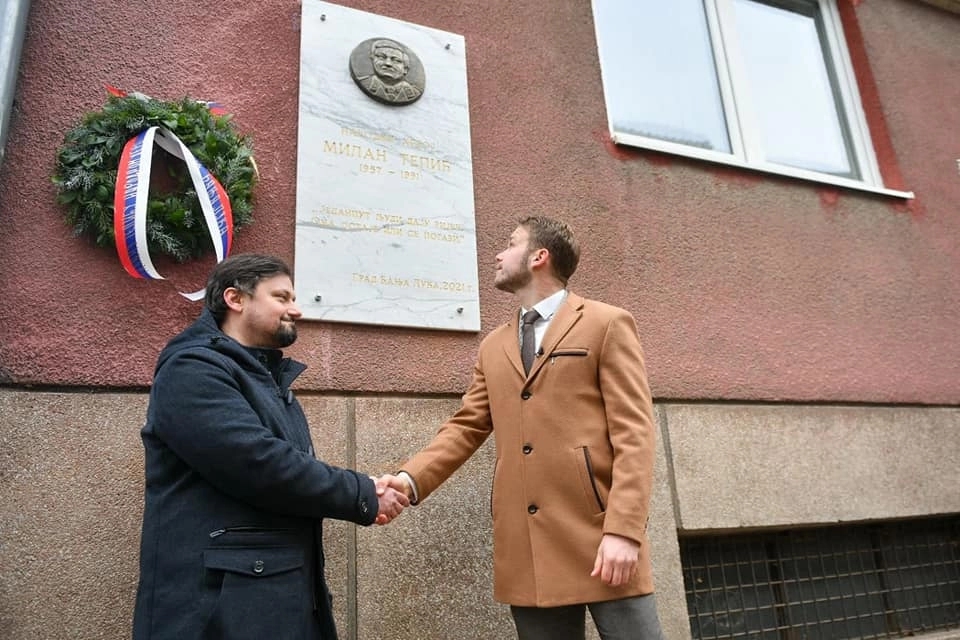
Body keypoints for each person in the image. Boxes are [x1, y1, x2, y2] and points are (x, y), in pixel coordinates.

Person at [381, 217, 665, 639]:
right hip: (526, 544)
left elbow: (635, 434)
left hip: (601, 534)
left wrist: (624, 531)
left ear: (539, 256)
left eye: (509, 244)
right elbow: (466, 427)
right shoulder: (494, 345)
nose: (498, 254)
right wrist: (407, 480)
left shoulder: (606, 324)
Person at [132, 253, 409, 640]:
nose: (296, 309)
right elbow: (257, 463)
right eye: (281, 297)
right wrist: (362, 492)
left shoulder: (264, 378)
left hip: (268, 599)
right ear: (235, 299)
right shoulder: (193, 369)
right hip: (217, 611)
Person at [353, 38, 423, 105]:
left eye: (396, 60)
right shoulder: (365, 82)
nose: (388, 63)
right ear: (373, 60)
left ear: (405, 69)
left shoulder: (414, 92)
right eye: (381, 57)